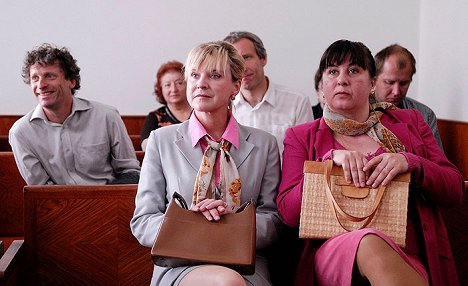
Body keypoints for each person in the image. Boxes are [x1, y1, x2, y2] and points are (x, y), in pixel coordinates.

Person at [277, 39, 464, 286]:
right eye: (333, 71)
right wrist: (327, 164)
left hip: (406, 252)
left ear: (373, 83)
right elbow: (287, 213)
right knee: (367, 240)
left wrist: (411, 162)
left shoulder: (411, 123)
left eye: (353, 71)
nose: (342, 79)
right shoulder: (301, 136)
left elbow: (454, 189)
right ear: (322, 85)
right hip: (333, 249)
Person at [130, 41, 281, 286]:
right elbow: (143, 220)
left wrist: (232, 222)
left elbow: (273, 219)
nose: (201, 83)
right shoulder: (161, 140)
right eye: (194, 75)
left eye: (214, 75)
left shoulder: (265, 144)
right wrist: (192, 221)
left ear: (236, 85)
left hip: (245, 265)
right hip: (181, 263)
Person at [9, 43, 140, 185]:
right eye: (35, 78)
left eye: (49, 76)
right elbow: (41, 192)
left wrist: (105, 205)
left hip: (111, 203)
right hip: (59, 206)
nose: (41, 85)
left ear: (72, 81)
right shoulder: (21, 132)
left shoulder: (107, 116)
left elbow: (130, 172)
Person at [223, 31, 313, 156]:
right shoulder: (223, 107)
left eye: (246, 57)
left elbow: (307, 155)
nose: (241, 67)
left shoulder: (297, 102)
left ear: (263, 58)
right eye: (233, 62)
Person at [374, 44, 444, 149]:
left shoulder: (425, 115)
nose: (396, 92)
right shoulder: (358, 112)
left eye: (403, 83)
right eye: (389, 82)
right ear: (373, 80)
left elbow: (438, 163)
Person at [140, 60, 192, 151]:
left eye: (179, 83)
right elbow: (146, 146)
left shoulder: (200, 112)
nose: (173, 89)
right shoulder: (155, 117)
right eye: (167, 85)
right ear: (161, 89)